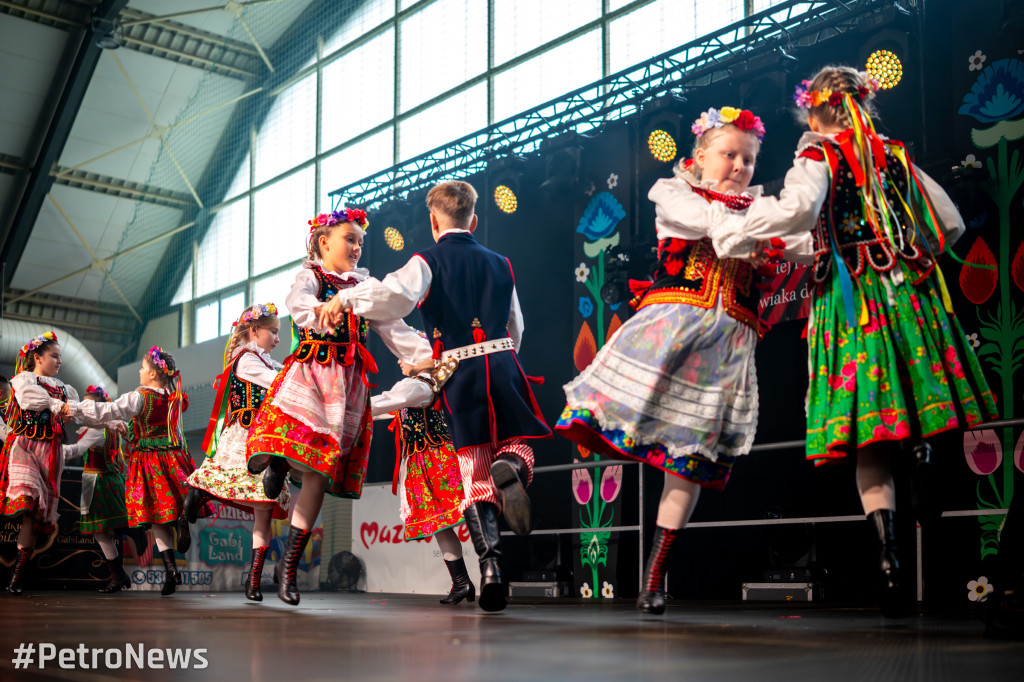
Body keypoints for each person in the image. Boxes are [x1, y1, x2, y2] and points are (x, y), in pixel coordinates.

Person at [715, 66, 998, 616]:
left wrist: (739, 226)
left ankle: (888, 558)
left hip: (851, 303)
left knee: (868, 433)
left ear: (815, 112)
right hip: (902, 291)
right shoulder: (893, 154)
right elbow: (949, 222)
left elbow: (798, 212)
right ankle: (920, 457)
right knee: (912, 405)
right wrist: (899, 250)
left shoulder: (817, 157)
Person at [556, 107, 773, 614]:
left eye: (748, 159)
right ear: (699, 157)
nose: (739, 166)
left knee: (689, 462)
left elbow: (797, 242)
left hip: (726, 344)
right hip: (673, 329)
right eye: (729, 155)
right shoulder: (672, 192)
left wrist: (776, 232)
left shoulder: (757, 207)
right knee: (625, 413)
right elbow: (707, 225)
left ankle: (655, 575)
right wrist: (760, 230)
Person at [319, 181, 552, 612]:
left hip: (459, 373)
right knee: (522, 442)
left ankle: (490, 568)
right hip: (502, 361)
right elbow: (517, 325)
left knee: (472, 476)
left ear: (432, 222)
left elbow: (394, 299)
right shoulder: (502, 263)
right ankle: (513, 464)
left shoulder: (427, 260)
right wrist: (504, 359)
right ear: (474, 220)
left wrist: (348, 297)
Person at [245, 208, 433, 605]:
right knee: (288, 427)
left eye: (361, 243)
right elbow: (298, 304)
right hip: (313, 371)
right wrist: (324, 310)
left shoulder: (365, 288)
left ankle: (288, 570)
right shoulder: (312, 277)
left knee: (317, 476)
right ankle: (277, 459)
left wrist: (428, 355)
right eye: (349, 239)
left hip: (347, 387)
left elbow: (392, 327)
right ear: (322, 241)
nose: (357, 248)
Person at [67, 346, 215, 596]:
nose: (140, 371)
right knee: (171, 506)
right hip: (175, 455)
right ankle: (179, 529)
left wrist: (75, 409)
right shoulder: (175, 396)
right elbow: (170, 429)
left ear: (154, 374)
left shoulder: (141, 396)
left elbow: (110, 410)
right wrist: (129, 431)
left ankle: (171, 569)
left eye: (144, 367)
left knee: (155, 516)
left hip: (149, 461)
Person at [185, 303, 290, 602]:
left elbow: (283, 375)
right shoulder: (245, 361)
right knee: (223, 480)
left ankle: (253, 580)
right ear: (254, 330)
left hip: (265, 439)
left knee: (265, 510)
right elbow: (277, 384)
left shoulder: (267, 362)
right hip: (245, 436)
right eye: (274, 331)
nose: (278, 339)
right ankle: (197, 494)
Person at [372, 372, 474, 604]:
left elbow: (381, 403)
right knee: (440, 524)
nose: (399, 361)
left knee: (470, 512)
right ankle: (462, 583)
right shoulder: (409, 392)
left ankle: (489, 575)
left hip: (438, 459)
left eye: (403, 354)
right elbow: (379, 410)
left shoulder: (419, 386)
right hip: (421, 463)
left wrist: (346, 405)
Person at [0, 332, 76, 594]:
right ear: (37, 357)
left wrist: (112, 421)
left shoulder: (66, 389)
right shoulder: (24, 380)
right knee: (27, 498)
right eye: (54, 356)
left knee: (33, 518)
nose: (59, 361)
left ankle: (17, 574)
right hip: (26, 447)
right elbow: (30, 400)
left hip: (51, 454)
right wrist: (60, 407)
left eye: (60, 356)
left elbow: (79, 411)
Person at [62, 385, 144, 593]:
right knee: (103, 530)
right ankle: (119, 575)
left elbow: (75, 451)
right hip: (111, 479)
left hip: (97, 481)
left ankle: (133, 532)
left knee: (99, 529)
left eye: (88, 406)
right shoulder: (112, 425)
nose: (84, 409)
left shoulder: (97, 429)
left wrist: (51, 447)